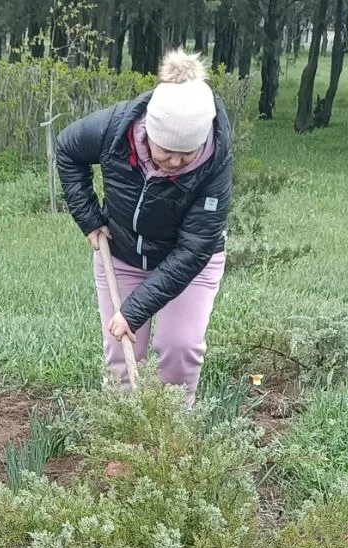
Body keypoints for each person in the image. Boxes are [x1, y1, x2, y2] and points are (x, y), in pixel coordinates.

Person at [56, 50, 232, 406]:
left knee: (179, 348)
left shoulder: (215, 161)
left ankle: (172, 439)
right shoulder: (115, 129)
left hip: (190, 264)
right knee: (122, 355)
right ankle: (123, 445)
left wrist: (134, 312)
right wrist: (90, 218)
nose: (177, 162)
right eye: (168, 150)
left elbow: (194, 248)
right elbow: (68, 150)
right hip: (122, 254)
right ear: (149, 131)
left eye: (188, 154)